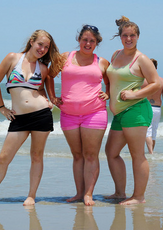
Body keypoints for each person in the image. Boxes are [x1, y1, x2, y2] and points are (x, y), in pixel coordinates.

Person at [0, 30, 63, 207]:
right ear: (32, 42)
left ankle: (31, 196)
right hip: (19, 119)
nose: (43, 49)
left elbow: (41, 90)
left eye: (47, 47)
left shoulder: (44, 68)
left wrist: (48, 100)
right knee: (4, 158)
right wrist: (1, 107)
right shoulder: (12, 58)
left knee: (36, 156)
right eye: (40, 44)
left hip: (41, 116)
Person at [46, 25, 110, 206]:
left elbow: (111, 80)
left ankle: (88, 194)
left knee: (91, 155)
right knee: (77, 155)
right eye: (85, 39)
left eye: (92, 40)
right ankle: (79, 193)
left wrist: (109, 93)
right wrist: (52, 96)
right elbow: (49, 75)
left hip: (95, 113)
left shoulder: (102, 62)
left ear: (97, 43)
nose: (88, 43)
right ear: (79, 40)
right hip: (68, 114)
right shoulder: (65, 57)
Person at [105, 16, 161, 205]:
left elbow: (156, 83)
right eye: (125, 35)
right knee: (111, 152)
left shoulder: (142, 59)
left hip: (136, 110)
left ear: (138, 37)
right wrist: (107, 94)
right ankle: (120, 193)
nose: (129, 38)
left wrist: (134, 94)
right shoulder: (115, 55)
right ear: (120, 36)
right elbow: (112, 80)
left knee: (137, 154)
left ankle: (138, 197)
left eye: (133, 35)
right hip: (119, 114)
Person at [142, 58, 163, 154]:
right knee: (154, 132)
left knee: (148, 131)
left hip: (146, 107)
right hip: (157, 109)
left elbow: (136, 94)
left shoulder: (143, 81)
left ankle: (151, 152)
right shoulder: (162, 81)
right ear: (156, 68)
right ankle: (151, 152)